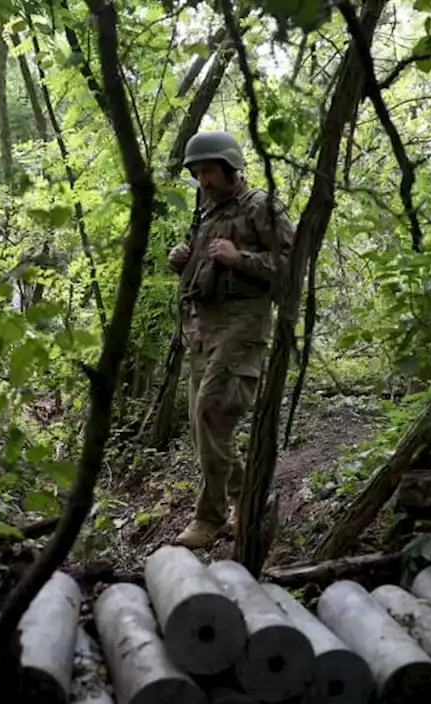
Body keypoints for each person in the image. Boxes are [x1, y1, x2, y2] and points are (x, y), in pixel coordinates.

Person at [167, 130, 295, 549]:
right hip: (203, 327)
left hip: (243, 324)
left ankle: (211, 517)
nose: (203, 180)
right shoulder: (206, 213)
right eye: (197, 173)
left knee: (210, 412)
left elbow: (293, 265)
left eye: (209, 171)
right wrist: (183, 261)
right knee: (204, 425)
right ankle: (246, 502)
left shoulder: (261, 207)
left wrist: (240, 259)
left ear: (229, 167)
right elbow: (205, 271)